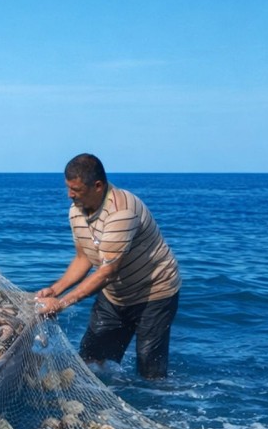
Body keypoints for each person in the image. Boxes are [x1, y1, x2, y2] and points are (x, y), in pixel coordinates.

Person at [35, 153, 182, 379]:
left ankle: (157, 409)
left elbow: (107, 272)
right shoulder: (76, 211)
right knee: (91, 361)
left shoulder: (121, 211)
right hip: (115, 295)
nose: (69, 195)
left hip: (155, 293)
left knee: (150, 370)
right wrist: (55, 290)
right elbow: (83, 258)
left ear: (98, 186)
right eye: (67, 188)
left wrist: (62, 304)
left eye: (76, 189)